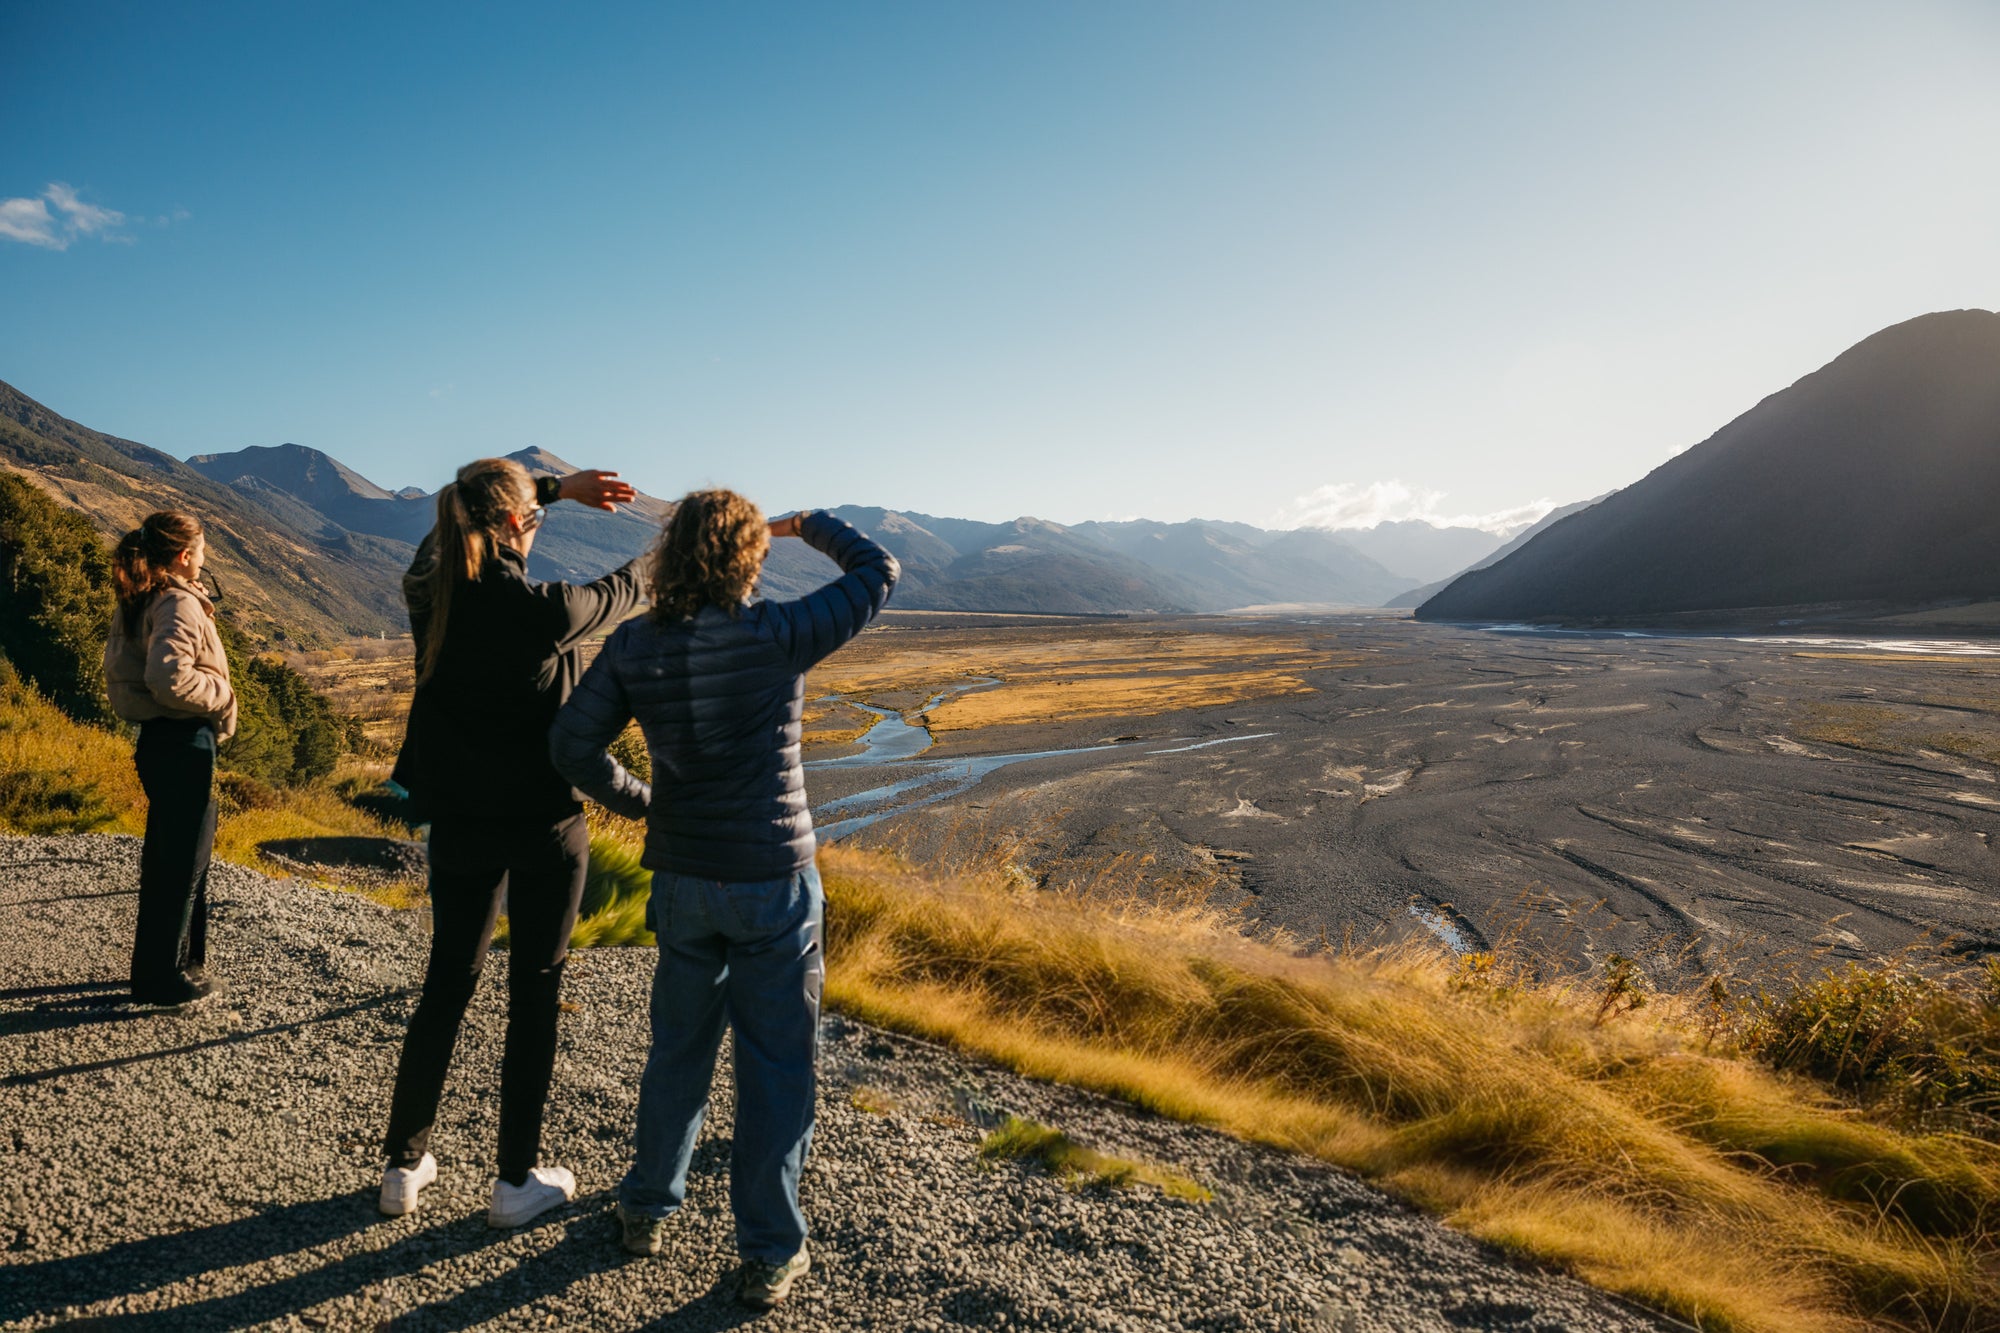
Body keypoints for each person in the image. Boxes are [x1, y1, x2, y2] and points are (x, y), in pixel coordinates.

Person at [548, 491, 898, 1309]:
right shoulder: (778, 634)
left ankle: (645, 1209)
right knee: (775, 1066)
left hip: (682, 878)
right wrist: (807, 523)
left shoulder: (636, 643)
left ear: (673, 554)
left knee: (678, 1051)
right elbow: (879, 569)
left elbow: (570, 743)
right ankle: (770, 1251)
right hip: (771, 880)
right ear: (749, 557)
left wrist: (644, 801)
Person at [377, 458, 646, 1229]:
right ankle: (513, 1181)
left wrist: (549, 492)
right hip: (544, 827)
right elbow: (630, 588)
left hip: (459, 822)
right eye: (534, 515)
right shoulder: (546, 609)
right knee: (534, 993)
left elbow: (450, 529)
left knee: (446, 985)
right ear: (512, 525)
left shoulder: (431, 595)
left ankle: (403, 1165)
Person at [103, 510, 238, 1008]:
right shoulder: (178, 601)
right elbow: (170, 678)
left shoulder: (144, 596)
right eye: (202, 551)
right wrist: (221, 696)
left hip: (159, 741)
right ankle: (163, 979)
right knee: (183, 864)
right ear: (184, 556)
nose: (205, 559)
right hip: (183, 741)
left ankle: (175, 965)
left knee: (172, 859)